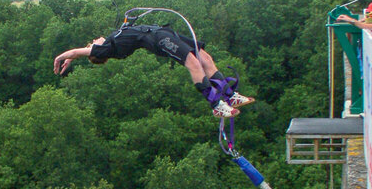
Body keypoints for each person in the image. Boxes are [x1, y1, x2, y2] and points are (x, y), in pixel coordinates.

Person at [53, 24, 254, 118]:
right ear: (95, 51)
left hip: (163, 32)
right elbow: (79, 52)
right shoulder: (107, 48)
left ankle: (230, 95)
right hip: (159, 40)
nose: (94, 40)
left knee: (205, 58)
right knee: (193, 63)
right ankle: (216, 105)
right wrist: (66, 57)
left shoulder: (114, 38)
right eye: (92, 44)